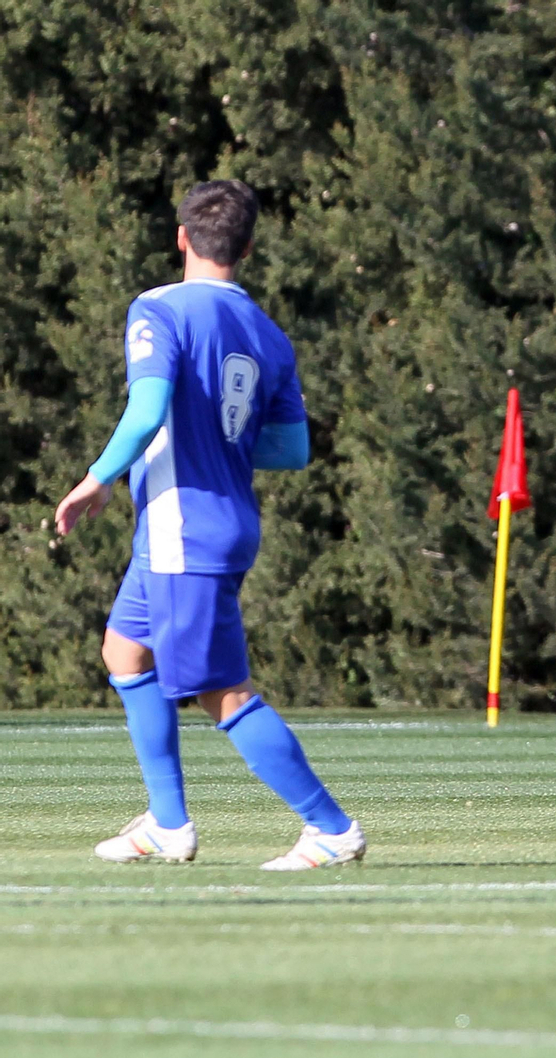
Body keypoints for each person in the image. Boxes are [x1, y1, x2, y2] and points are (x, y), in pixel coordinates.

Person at [54, 180, 366, 870]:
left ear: (182, 238)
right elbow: (291, 450)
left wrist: (94, 480)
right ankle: (167, 824)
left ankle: (331, 828)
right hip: (219, 521)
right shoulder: (268, 332)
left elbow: (146, 409)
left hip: (181, 529)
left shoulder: (157, 307)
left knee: (218, 691)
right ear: (248, 247)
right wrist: (219, 436)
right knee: (124, 653)